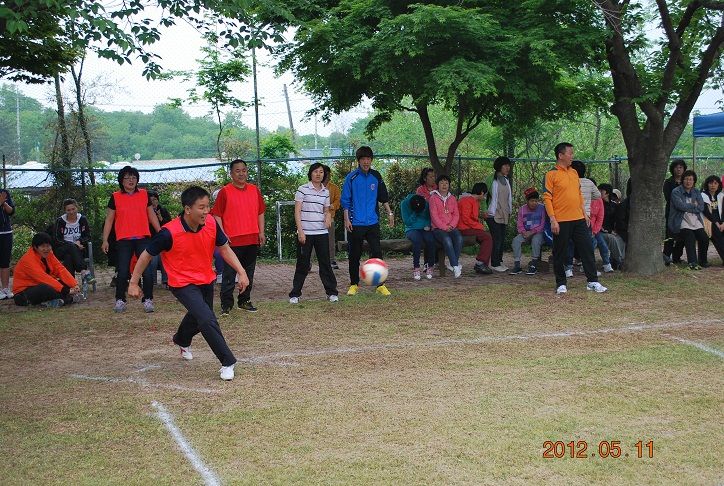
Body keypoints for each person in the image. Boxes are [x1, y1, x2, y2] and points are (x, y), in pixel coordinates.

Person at [127, 186, 249, 381]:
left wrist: (241, 272)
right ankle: (227, 361)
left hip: (205, 278)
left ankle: (181, 339)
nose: (206, 211)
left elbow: (224, 249)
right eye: (201, 207)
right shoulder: (169, 232)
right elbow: (146, 255)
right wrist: (133, 282)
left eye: (208, 206)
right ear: (188, 209)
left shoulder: (210, 223)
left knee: (199, 316)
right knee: (207, 319)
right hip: (181, 282)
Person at [543, 142, 607, 294]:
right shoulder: (551, 174)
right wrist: (552, 219)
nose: (572, 156)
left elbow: (578, 195)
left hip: (579, 219)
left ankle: (592, 282)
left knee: (587, 249)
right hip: (561, 220)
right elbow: (547, 198)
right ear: (561, 155)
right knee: (560, 252)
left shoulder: (574, 173)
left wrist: (584, 214)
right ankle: (560, 284)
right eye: (570, 153)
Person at [101, 166, 161, 313]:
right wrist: (105, 240)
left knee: (147, 271)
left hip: (143, 238)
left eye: (133, 177)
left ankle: (148, 299)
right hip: (123, 239)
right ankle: (120, 300)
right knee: (122, 271)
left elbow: (151, 215)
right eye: (127, 178)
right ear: (122, 180)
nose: (131, 180)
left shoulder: (144, 194)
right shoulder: (115, 197)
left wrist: (160, 232)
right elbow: (109, 220)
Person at [211, 159, 266, 315]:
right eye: (237, 171)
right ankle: (226, 305)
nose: (241, 173)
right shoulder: (225, 191)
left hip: (251, 238)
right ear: (231, 173)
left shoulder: (254, 190)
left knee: (248, 273)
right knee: (229, 274)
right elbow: (217, 214)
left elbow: (260, 212)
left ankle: (244, 301)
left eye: (244, 170)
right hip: (232, 241)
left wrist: (261, 232)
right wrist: (222, 234)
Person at [341, 146, 394, 296]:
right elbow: (346, 200)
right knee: (354, 254)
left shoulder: (376, 176)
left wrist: (390, 213)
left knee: (377, 253)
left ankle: (380, 285)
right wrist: (347, 219)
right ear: (358, 161)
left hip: (372, 222)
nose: (366, 162)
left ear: (371, 160)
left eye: (368, 159)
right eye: (363, 159)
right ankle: (353, 284)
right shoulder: (351, 177)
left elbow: (383, 197)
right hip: (355, 223)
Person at [289, 163, 339, 303]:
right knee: (302, 264)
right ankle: (295, 294)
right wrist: (301, 231)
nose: (318, 174)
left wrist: (328, 215)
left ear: (324, 175)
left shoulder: (326, 191)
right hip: (306, 233)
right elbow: (297, 211)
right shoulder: (302, 189)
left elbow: (326, 209)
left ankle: (332, 293)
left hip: (322, 232)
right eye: (316, 171)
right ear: (310, 174)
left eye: (321, 172)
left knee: (325, 264)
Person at [12, 232, 80, 307]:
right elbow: (44, 278)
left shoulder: (49, 253)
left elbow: (60, 269)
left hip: (41, 284)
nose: (46, 249)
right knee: (46, 288)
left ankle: (58, 300)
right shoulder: (28, 260)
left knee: (63, 283)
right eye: (43, 246)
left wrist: (74, 284)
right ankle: (67, 298)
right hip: (23, 293)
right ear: (35, 247)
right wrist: (66, 290)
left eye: (48, 246)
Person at [668, 170, 709, 269]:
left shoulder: (696, 191)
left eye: (691, 179)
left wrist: (690, 206)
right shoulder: (676, 191)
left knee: (704, 237)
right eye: (686, 179)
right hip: (681, 219)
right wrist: (693, 205)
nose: (688, 182)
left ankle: (703, 261)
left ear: (694, 181)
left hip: (695, 219)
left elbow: (701, 207)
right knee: (689, 236)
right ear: (683, 180)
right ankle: (693, 263)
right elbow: (680, 206)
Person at [52, 198, 94, 284]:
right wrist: (73, 244)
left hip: (79, 250)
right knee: (71, 247)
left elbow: (88, 237)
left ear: (77, 208)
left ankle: (71, 284)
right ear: (65, 211)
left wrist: (79, 241)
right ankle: (83, 271)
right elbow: (57, 239)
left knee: (69, 258)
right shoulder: (60, 221)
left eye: (73, 209)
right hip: (62, 249)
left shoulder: (82, 219)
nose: (71, 212)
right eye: (68, 210)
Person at [429, 174, 463, 278]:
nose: (444, 185)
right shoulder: (433, 198)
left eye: (446, 183)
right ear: (437, 185)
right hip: (438, 229)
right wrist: (444, 227)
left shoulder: (452, 198)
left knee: (459, 238)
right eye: (442, 183)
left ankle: (453, 263)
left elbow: (456, 214)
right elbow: (434, 216)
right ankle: (455, 266)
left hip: (451, 227)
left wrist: (452, 225)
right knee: (447, 240)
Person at [457, 182, 493, 275]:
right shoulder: (466, 201)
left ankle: (483, 264)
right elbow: (465, 219)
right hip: (463, 228)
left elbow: (473, 217)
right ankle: (480, 263)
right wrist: (480, 227)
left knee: (486, 237)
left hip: (470, 227)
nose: (484, 197)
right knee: (487, 237)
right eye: (484, 194)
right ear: (481, 192)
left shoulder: (475, 201)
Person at [486, 156, 513, 272]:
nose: (508, 168)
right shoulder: (491, 179)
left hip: (504, 214)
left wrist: (510, 211)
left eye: (509, 165)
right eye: (505, 165)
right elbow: (484, 196)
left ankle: (499, 260)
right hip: (492, 214)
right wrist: (484, 211)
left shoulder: (506, 180)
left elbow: (509, 198)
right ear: (499, 166)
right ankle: (495, 263)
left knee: (501, 239)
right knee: (496, 238)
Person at [510, 187, 546, 275]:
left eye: (536, 201)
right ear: (527, 201)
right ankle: (517, 265)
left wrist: (532, 232)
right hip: (525, 233)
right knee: (516, 241)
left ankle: (534, 264)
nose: (534, 203)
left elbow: (543, 224)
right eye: (532, 201)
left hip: (538, 232)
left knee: (536, 240)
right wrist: (523, 232)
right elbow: (520, 224)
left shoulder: (542, 208)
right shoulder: (522, 209)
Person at [401, 193, 436, 280]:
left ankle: (430, 265)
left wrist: (428, 225)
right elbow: (407, 222)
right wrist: (415, 213)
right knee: (417, 240)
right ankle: (416, 267)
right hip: (411, 228)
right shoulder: (404, 204)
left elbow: (429, 217)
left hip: (424, 228)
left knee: (431, 239)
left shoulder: (425, 203)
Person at [663, 159, 687, 265]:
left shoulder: (687, 181)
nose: (679, 169)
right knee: (670, 236)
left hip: (684, 213)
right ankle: (666, 258)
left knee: (681, 236)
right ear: (673, 169)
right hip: (671, 213)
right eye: (676, 167)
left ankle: (677, 257)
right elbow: (669, 198)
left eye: (681, 167)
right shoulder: (668, 182)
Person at [598, 183, 626, 269]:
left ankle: (615, 260)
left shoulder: (614, 205)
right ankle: (619, 261)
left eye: (601, 191)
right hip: (599, 231)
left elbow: (617, 220)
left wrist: (617, 230)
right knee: (612, 238)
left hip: (612, 231)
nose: (599, 192)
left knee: (621, 238)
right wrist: (609, 231)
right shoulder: (598, 204)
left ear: (607, 193)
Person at [148, 190, 172, 287]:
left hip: (163, 240)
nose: (153, 202)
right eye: (151, 200)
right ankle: (152, 281)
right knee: (153, 260)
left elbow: (169, 224)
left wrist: (160, 217)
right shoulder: (145, 211)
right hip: (151, 240)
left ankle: (165, 280)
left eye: (155, 199)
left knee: (164, 259)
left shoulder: (163, 210)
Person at [589, 187, 614, 273]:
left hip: (596, 229)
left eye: (601, 190)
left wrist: (595, 230)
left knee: (603, 245)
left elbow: (600, 217)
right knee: (592, 244)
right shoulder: (585, 199)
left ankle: (607, 264)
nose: (599, 192)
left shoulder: (599, 201)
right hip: (586, 228)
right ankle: (588, 266)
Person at [701, 175, 724, 265]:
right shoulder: (703, 195)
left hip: (721, 222)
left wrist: (723, 223)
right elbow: (706, 212)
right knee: (717, 234)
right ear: (707, 184)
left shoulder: (721, 196)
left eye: (715, 183)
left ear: (719, 185)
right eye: (711, 183)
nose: (713, 185)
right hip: (708, 221)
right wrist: (717, 224)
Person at [322, 165, 341, 270]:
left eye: (329, 174)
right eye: (326, 174)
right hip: (315, 218)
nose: (328, 176)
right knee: (312, 240)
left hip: (330, 218)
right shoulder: (315, 186)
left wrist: (331, 206)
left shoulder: (334, 188)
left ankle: (331, 260)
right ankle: (308, 262)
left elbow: (338, 201)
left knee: (330, 240)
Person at [0, 187, 16, 300]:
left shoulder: (4, 192)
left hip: (6, 232)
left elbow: (11, 211)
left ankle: (5, 288)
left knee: (5, 261)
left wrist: (4, 203)